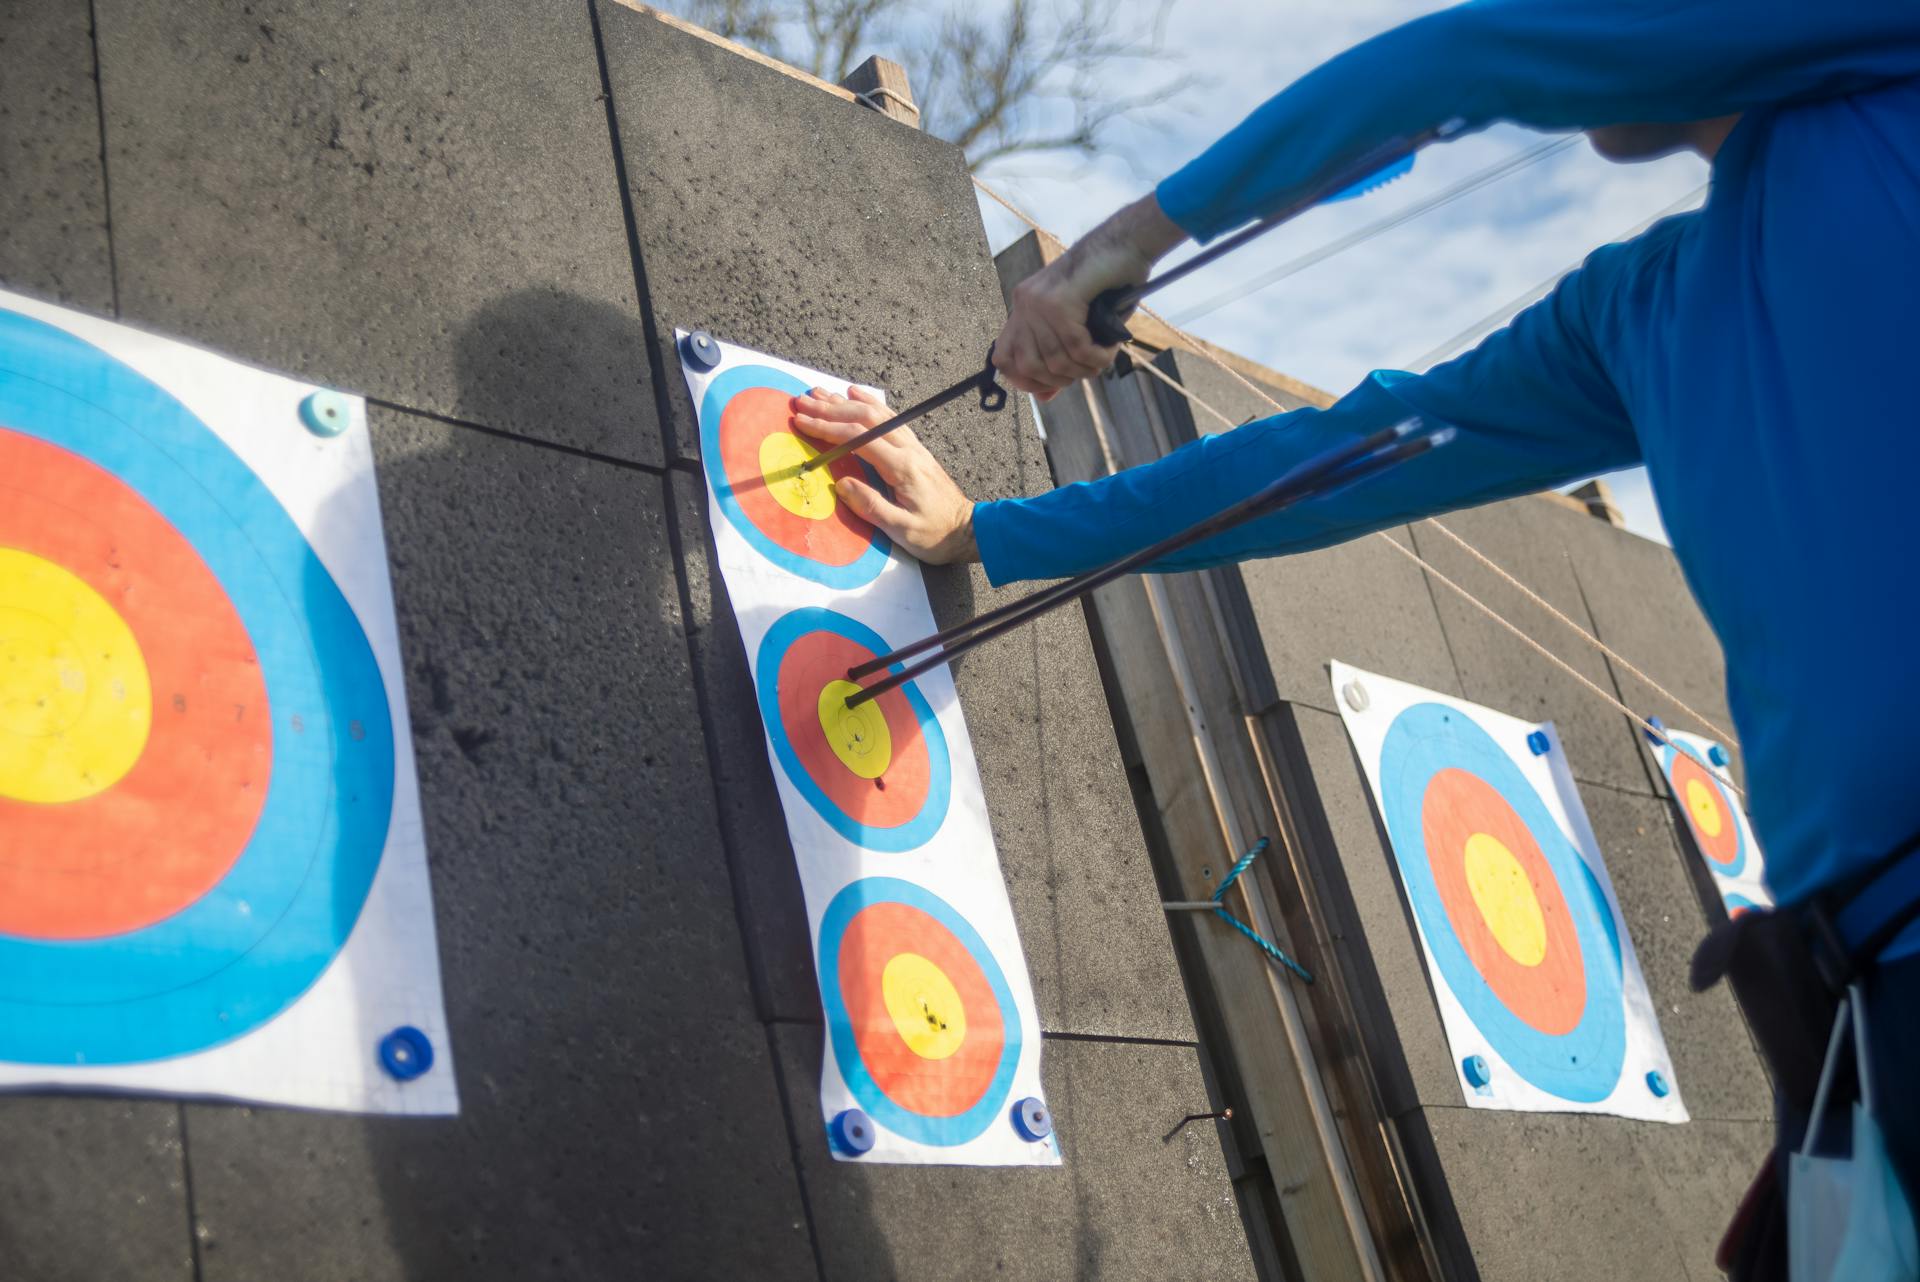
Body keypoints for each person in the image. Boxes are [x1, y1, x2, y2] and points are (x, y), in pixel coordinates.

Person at [792, 0, 1920, 1272]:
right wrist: (991, 532)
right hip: (1860, 1024)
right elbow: (1334, 461)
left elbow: (1470, 60)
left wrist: (1132, 238)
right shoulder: (1639, 311)